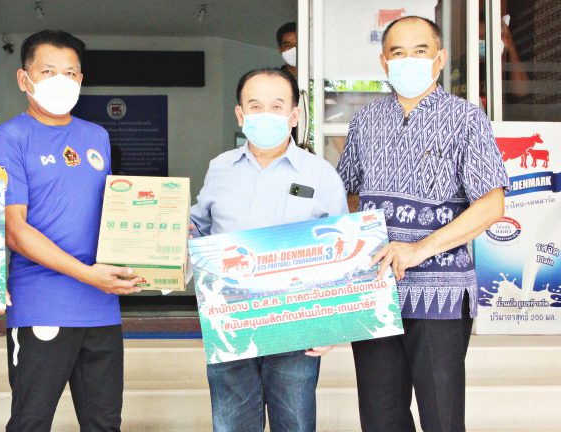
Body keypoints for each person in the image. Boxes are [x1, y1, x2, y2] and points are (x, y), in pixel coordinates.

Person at [336, 16, 509, 432]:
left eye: (420, 51)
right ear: (384, 62)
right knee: (381, 419)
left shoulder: (467, 119)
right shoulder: (365, 120)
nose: (408, 60)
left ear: (440, 58)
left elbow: (492, 206)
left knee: (442, 418)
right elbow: (347, 194)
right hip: (376, 292)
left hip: (440, 295)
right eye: (398, 53)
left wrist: (418, 249)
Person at [0, 30, 141, 432]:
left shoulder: (96, 136)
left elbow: (111, 215)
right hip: (42, 305)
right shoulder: (8, 139)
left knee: (104, 423)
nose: (61, 81)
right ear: (24, 79)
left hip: (101, 306)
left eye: (70, 73)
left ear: (81, 79)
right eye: (48, 71)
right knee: (31, 422)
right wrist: (87, 274)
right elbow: (14, 230)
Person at [190, 67, 348, 432]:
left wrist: (331, 325)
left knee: (294, 423)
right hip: (231, 320)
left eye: (277, 106)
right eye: (255, 106)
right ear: (240, 114)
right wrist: (169, 232)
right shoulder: (220, 169)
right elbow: (199, 227)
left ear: (294, 115)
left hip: (297, 322)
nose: (266, 115)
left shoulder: (320, 175)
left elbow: (343, 250)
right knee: (232, 425)